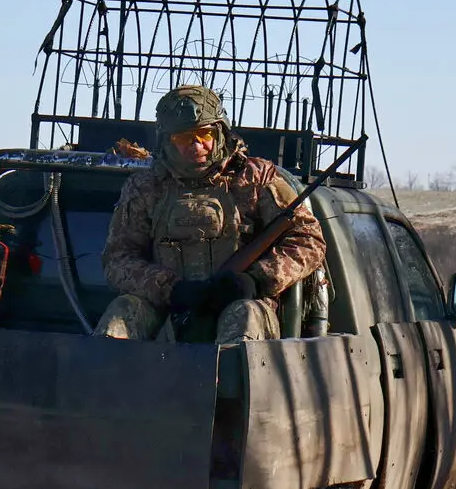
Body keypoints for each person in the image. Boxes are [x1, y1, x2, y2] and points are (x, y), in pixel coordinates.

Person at [94, 84, 327, 344]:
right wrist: (170, 289)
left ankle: (227, 384)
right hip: (167, 310)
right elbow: (118, 259)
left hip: (244, 306)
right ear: (167, 141)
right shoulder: (146, 187)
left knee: (244, 316)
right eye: (183, 138)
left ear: (219, 132)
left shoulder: (257, 178)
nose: (196, 144)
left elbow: (309, 239)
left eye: (204, 134)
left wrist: (257, 280)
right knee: (122, 314)